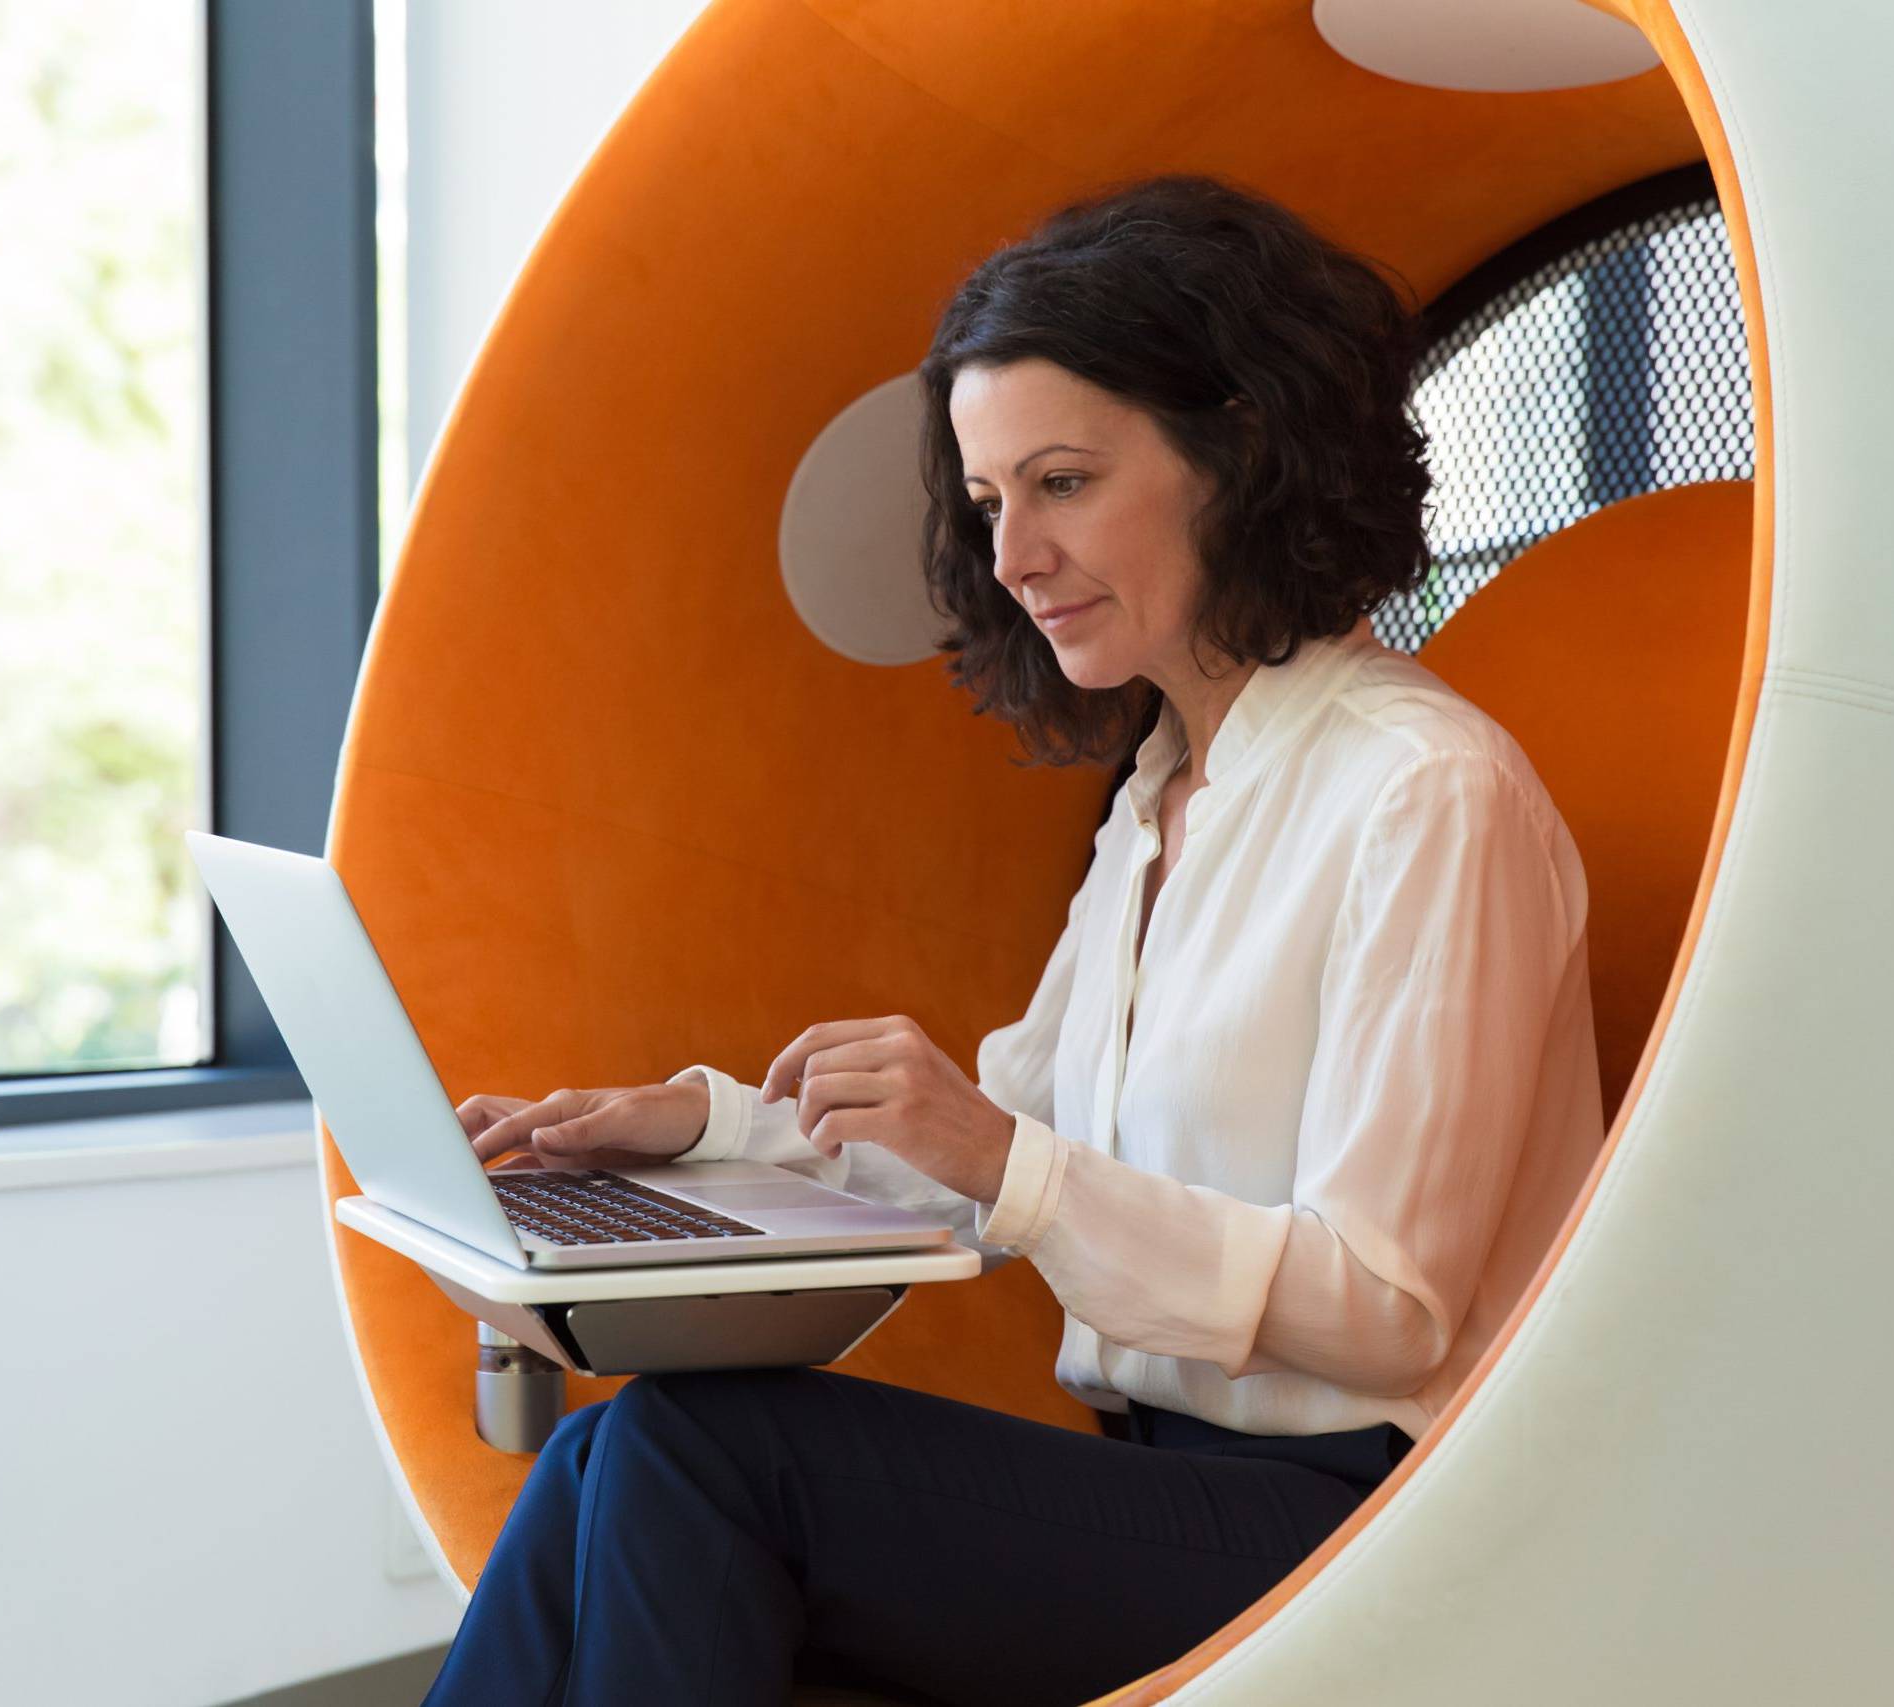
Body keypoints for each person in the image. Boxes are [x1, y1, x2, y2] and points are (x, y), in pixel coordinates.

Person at [419, 172, 1606, 1707]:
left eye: (1059, 483)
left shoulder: (1425, 794)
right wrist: (700, 1128)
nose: (1011, 559)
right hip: (1180, 1490)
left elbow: (1387, 1312)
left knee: (696, 1454)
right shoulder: (1168, 792)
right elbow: (1006, 1142)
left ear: (1239, 451)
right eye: (988, 506)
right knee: (603, 1458)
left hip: (1372, 1515)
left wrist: (1006, 1162)